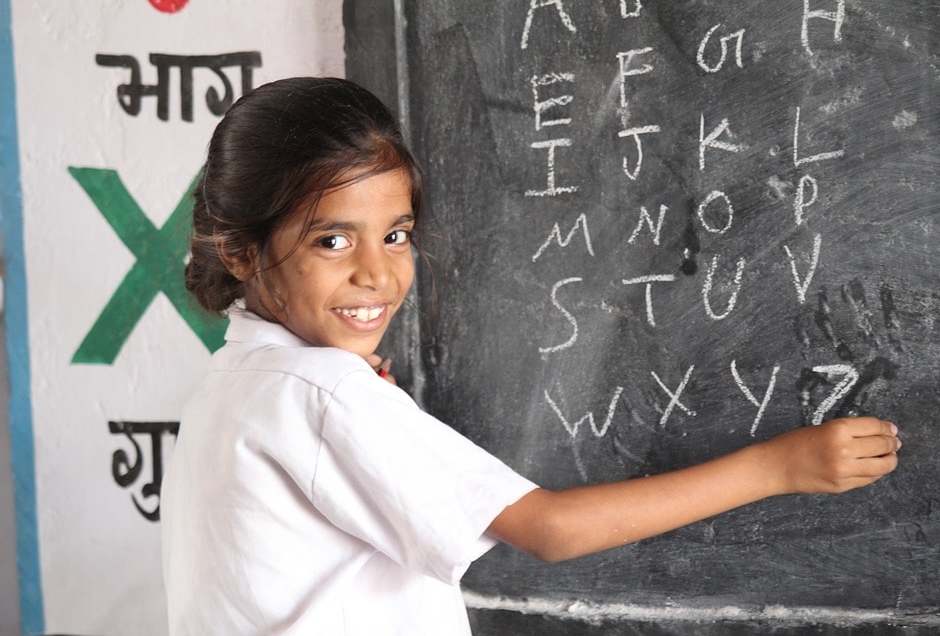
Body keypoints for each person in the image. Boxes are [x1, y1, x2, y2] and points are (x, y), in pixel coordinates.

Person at [160, 76, 900, 635]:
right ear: (241, 251)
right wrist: (781, 466)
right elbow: (548, 529)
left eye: (395, 234)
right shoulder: (321, 392)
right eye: (332, 240)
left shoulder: (235, 388)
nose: (378, 274)